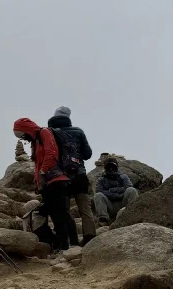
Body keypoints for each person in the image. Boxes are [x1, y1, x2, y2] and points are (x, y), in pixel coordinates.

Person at [13, 117, 78, 251]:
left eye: (22, 134)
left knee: (61, 213)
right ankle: (63, 245)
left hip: (57, 180)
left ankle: (73, 244)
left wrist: (43, 171)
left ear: (27, 129)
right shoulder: (35, 141)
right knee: (55, 215)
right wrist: (38, 182)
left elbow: (51, 152)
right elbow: (37, 163)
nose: (23, 137)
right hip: (48, 182)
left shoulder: (44, 133)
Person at [47, 105, 96, 245]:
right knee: (85, 208)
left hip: (61, 177)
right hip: (79, 175)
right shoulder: (78, 131)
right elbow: (87, 154)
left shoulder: (50, 132)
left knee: (64, 209)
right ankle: (90, 237)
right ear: (68, 117)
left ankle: (69, 239)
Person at [94, 158, 138, 226]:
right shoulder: (100, 179)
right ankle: (104, 219)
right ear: (105, 168)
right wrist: (116, 193)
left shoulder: (123, 176)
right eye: (109, 167)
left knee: (131, 190)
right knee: (98, 195)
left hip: (123, 203)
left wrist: (111, 191)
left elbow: (128, 186)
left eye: (113, 167)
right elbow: (99, 191)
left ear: (116, 167)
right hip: (110, 205)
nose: (111, 169)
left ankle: (133, 214)